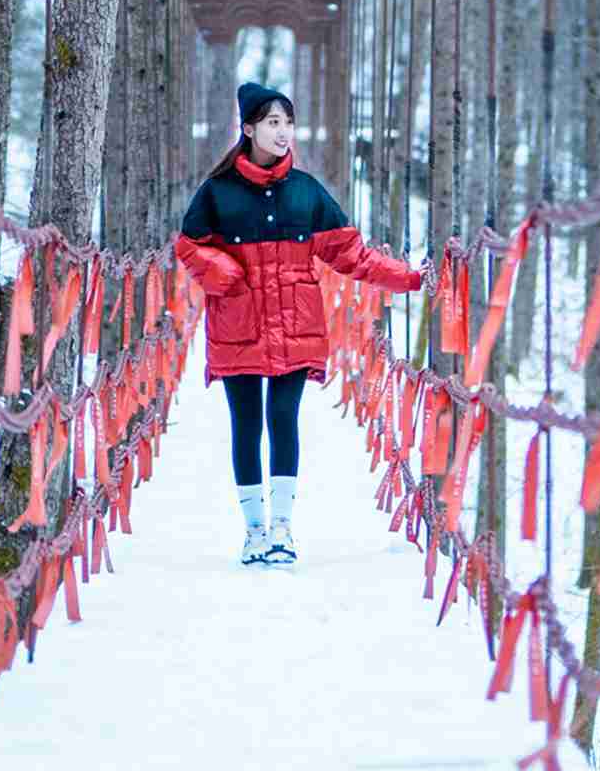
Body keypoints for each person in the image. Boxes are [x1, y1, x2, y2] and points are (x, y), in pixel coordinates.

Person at [175, 81, 420, 566]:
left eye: (287, 122)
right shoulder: (217, 193)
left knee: (283, 418)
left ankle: (283, 527)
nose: (283, 131)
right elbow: (187, 247)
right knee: (245, 424)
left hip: (296, 326)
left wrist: (408, 279)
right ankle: (254, 531)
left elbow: (351, 255)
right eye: (272, 122)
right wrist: (217, 268)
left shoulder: (307, 192)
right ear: (248, 129)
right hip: (238, 327)